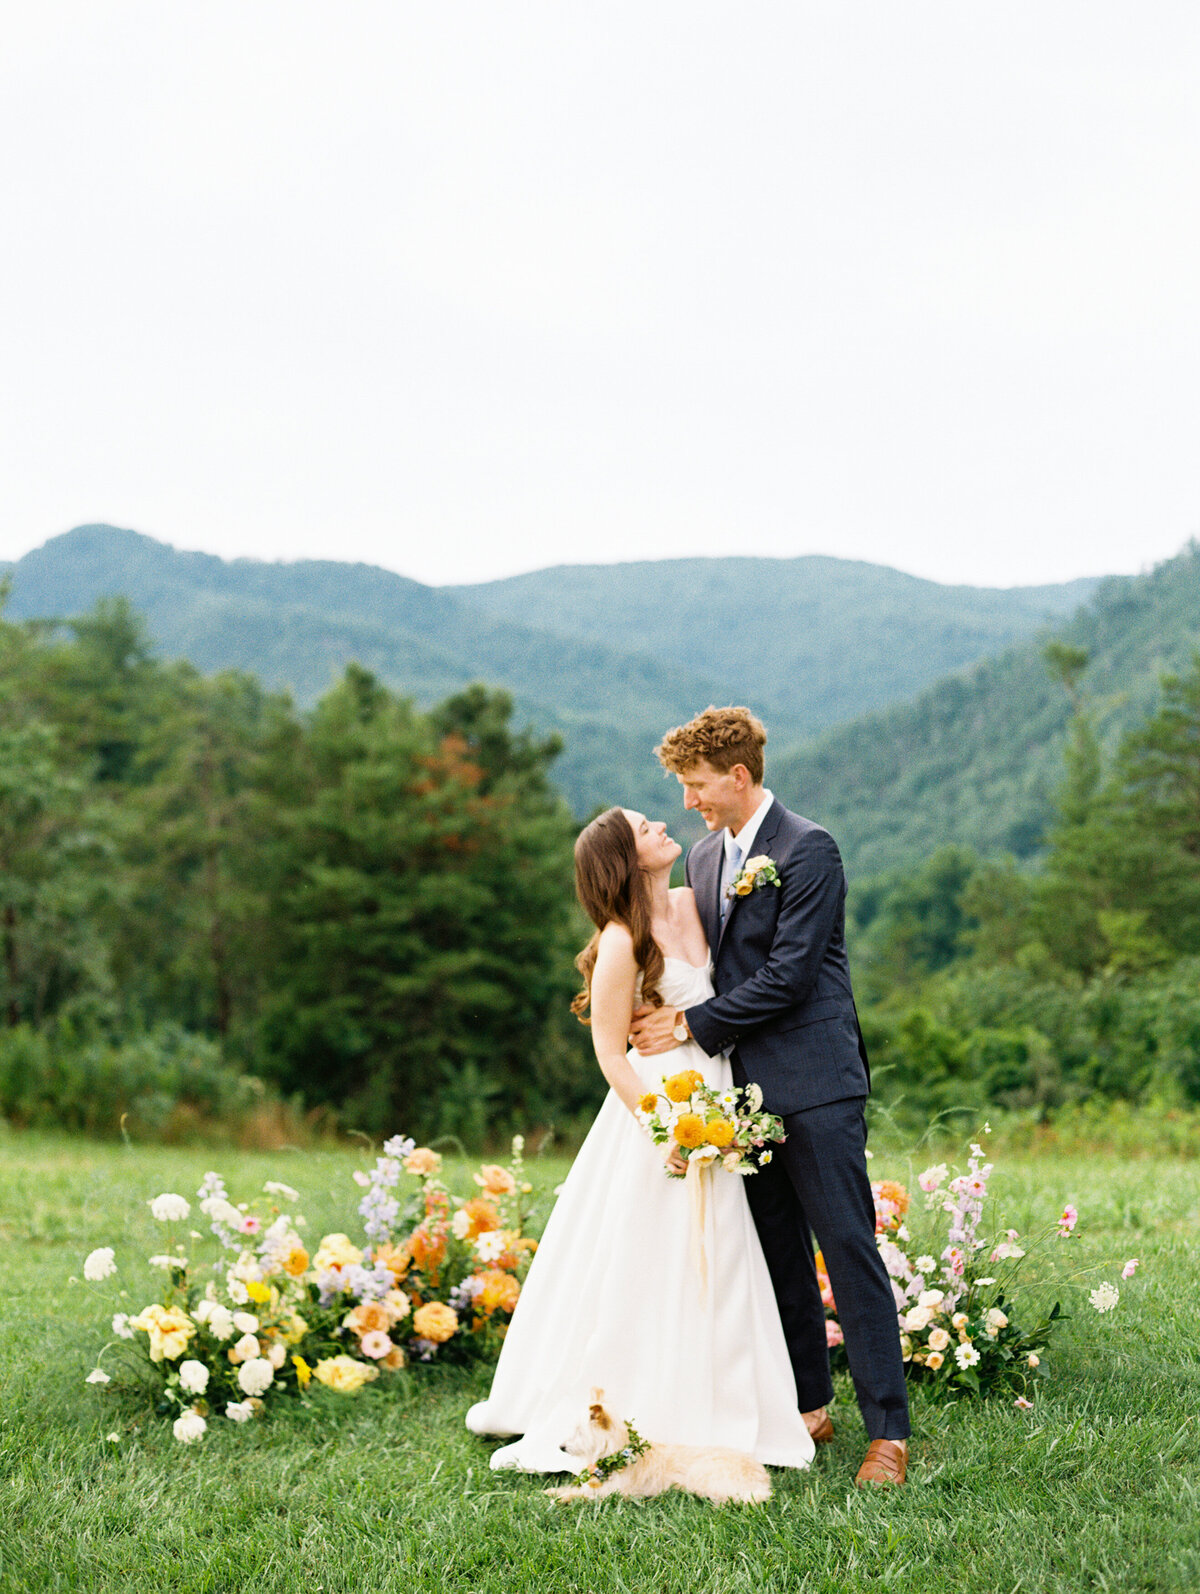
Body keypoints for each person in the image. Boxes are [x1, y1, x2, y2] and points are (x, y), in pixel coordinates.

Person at [464, 804, 815, 1474]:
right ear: (627, 858)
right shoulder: (623, 940)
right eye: (644, 827)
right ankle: (635, 1394)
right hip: (658, 1109)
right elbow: (610, 1053)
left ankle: (732, 1397)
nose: (660, 825)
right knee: (652, 1256)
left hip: (717, 1093)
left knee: (725, 1252)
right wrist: (664, 1129)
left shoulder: (695, 901)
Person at [630, 705, 911, 1487]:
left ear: (739, 776)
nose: (690, 802)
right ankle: (810, 1408)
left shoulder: (810, 848)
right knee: (777, 1253)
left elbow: (790, 975)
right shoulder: (704, 858)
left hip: (816, 1082)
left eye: (696, 786)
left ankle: (888, 1431)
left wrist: (687, 1024)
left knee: (848, 1252)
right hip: (737, 1097)